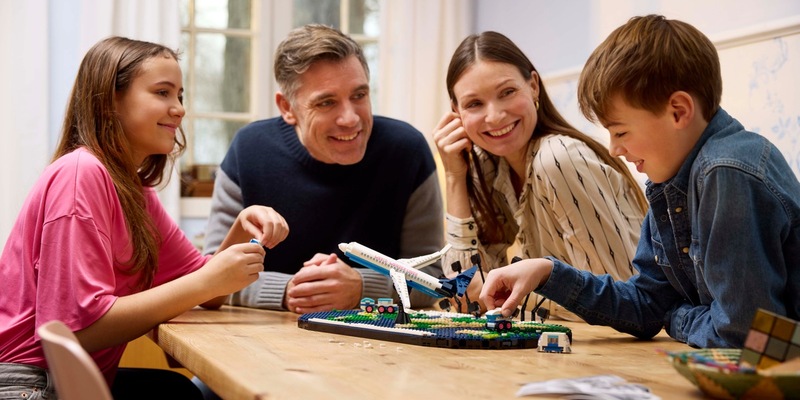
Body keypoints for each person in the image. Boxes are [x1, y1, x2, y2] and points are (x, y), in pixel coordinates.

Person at [480, 15, 800, 348]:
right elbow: (647, 306)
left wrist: (676, 316)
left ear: (678, 111)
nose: (615, 150)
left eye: (620, 131)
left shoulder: (727, 172)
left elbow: (747, 338)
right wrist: (547, 272)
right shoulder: (672, 182)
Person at [0, 36, 289, 399]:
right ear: (110, 102)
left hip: (70, 380)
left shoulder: (133, 192)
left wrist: (240, 227)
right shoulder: (81, 174)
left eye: (180, 95)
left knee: (179, 392)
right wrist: (208, 282)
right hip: (26, 384)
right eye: (162, 92)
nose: (179, 109)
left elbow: (207, 290)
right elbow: (76, 329)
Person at [203, 24, 444, 314]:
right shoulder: (249, 150)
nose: (350, 118)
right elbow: (209, 275)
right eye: (327, 102)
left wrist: (360, 286)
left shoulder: (407, 150)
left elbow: (432, 278)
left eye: (359, 95)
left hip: (378, 342)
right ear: (287, 108)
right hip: (266, 341)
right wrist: (287, 291)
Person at [433, 31, 648, 320]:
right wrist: (454, 177)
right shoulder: (490, 166)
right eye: (474, 104)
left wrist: (518, 296)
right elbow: (468, 297)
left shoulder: (559, 158)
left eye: (507, 92)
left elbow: (623, 301)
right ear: (456, 113)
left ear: (533, 86)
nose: (494, 116)